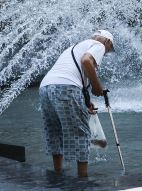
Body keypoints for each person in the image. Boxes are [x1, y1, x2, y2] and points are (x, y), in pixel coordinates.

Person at [39, 30, 114, 177]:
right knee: (81, 133)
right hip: (66, 89)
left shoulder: (76, 46)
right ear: (108, 42)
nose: (105, 54)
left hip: (45, 88)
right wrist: (97, 86)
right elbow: (86, 61)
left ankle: (57, 172)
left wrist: (86, 102)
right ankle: (83, 179)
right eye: (108, 51)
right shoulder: (99, 45)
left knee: (55, 131)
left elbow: (75, 75)